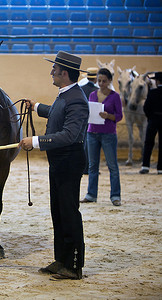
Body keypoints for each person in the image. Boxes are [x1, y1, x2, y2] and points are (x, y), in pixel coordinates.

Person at [19, 51, 89, 280]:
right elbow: (57, 113)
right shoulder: (66, 95)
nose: (52, 72)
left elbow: (69, 135)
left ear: (65, 73)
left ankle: (74, 266)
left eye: (55, 69)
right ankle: (61, 260)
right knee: (58, 212)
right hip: (59, 162)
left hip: (69, 161)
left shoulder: (77, 99)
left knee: (69, 212)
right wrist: (37, 106)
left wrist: (35, 142)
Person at [81, 68, 123, 206]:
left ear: (110, 81)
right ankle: (91, 194)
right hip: (92, 132)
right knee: (93, 166)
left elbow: (119, 116)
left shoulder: (115, 96)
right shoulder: (92, 95)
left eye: (104, 81)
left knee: (112, 166)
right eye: (99, 80)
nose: (101, 83)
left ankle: (115, 195)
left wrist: (108, 116)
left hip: (108, 134)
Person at [139, 72, 162, 175]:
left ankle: (145, 165)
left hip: (153, 119)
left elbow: (146, 107)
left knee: (148, 143)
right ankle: (160, 168)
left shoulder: (153, 92)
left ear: (157, 81)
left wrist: (150, 117)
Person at [80, 67, 99, 174]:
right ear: (96, 79)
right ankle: (89, 167)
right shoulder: (97, 91)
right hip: (93, 121)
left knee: (82, 143)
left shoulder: (80, 88)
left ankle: (83, 166)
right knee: (91, 145)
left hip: (80, 119)